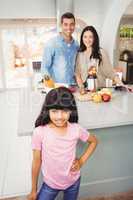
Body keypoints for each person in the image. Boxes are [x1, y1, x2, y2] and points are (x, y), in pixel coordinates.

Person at [28, 87, 97, 200]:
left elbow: (94, 141)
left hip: (73, 182)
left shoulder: (76, 129)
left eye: (65, 111)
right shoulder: (39, 132)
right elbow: (36, 162)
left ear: (71, 110)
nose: (59, 117)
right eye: (54, 111)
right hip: (49, 185)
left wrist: (81, 161)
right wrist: (33, 189)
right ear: (47, 110)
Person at [75, 26, 123, 94]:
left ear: (95, 38)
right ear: (82, 38)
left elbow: (111, 72)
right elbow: (77, 74)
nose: (87, 40)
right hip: (85, 91)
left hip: (99, 90)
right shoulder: (80, 54)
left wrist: (122, 84)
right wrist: (82, 88)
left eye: (90, 37)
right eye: (85, 37)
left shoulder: (101, 52)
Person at [41, 12, 79, 85]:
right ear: (61, 25)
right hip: (57, 88)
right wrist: (50, 86)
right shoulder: (51, 43)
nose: (69, 27)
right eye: (65, 24)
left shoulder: (76, 45)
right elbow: (44, 68)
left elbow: (77, 67)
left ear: (74, 25)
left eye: (71, 24)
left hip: (73, 86)